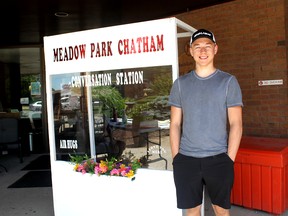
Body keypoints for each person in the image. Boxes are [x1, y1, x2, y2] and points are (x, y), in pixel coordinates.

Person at [168, 29, 243, 216]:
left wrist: (229, 159)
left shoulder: (228, 82)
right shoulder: (180, 84)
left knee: (221, 212)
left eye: (207, 46)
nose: (203, 51)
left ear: (215, 49)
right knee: (191, 211)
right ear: (191, 51)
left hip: (219, 159)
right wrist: (177, 158)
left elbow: (236, 124)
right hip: (186, 159)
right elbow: (175, 124)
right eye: (197, 46)